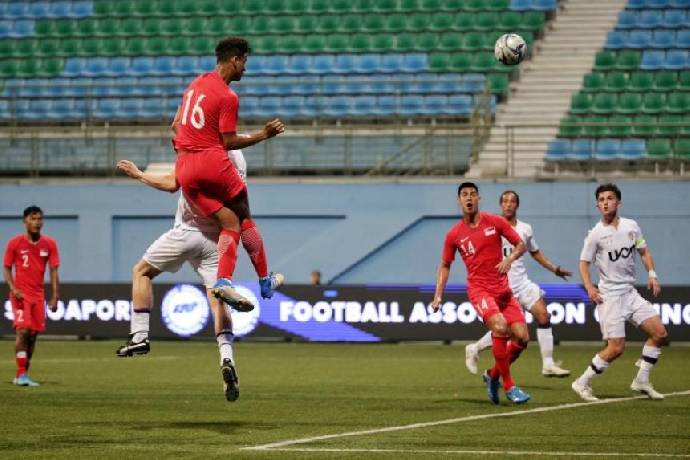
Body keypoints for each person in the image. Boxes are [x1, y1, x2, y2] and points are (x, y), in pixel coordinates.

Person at [115, 150, 281, 402]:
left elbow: (171, 183)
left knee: (141, 271)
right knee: (219, 302)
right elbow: (242, 211)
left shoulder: (196, 149)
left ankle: (139, 335)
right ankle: (226, 357)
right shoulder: (237, 157)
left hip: (186, 232)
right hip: (217, 241)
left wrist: (139, 174)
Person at [172, 36, 284, 313]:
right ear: (235, 60)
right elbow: (228, 142)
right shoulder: (227, 96)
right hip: (211, 162)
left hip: (185, 167)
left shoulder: (195, 84)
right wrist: (264, 134)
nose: (245, 68)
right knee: (244, 216)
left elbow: (175, 124)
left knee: (228, 221)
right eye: (244, 61)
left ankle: (224, 281)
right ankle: (260, 280)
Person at [432, 182, 531, 404]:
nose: (469, 198)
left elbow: (520, 244)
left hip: (503, 290)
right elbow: (445, 264)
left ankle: (492, 375)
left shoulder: (495, 221)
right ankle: (510, 386)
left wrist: (509, 258)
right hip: (480, 290)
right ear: (459, 201)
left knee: (522, 339)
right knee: (500, 326)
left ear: (479, 199)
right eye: (464, 195)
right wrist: (438, 294)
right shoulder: (454, 234)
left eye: (473, 194)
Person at [572, 183, 667, 402]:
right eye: (601, 200)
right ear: (597, 205)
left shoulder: (631, 226)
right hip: (610, 297)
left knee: (659, 333)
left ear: (618, 202)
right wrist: (589, 288)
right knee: (616, 348)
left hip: (630, 293)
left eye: (610, 198)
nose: (605, 202)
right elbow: (583, 264)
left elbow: (644, 251)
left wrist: (652, 274)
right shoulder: (595, 234)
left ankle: (641, 380)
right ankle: (582, 382)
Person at [465, 190, 572, 378]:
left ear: (517, 205)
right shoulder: (490, 227)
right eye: (505, 201)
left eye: (512, 201)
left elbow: (535, 252)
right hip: (501, 286)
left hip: (522, 283)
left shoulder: (525, 229)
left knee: (544, 316)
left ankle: (548, 364)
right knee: (508, 331)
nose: (508, 204)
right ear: (500, 205)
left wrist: (554, 269)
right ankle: (475, 348)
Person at [3, 206, 59, 387]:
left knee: (33, 335)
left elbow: (54, 270)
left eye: (40, 219)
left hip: (38, 296)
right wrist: (13, 288)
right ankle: (21, 374)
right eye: (33, 219)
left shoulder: (49, 244)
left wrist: (55, 296)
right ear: (25, 221)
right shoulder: (15, 243)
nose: (37, 222)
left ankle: (23, 373)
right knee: (23, 330)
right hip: (20, 295)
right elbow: (6, 267)